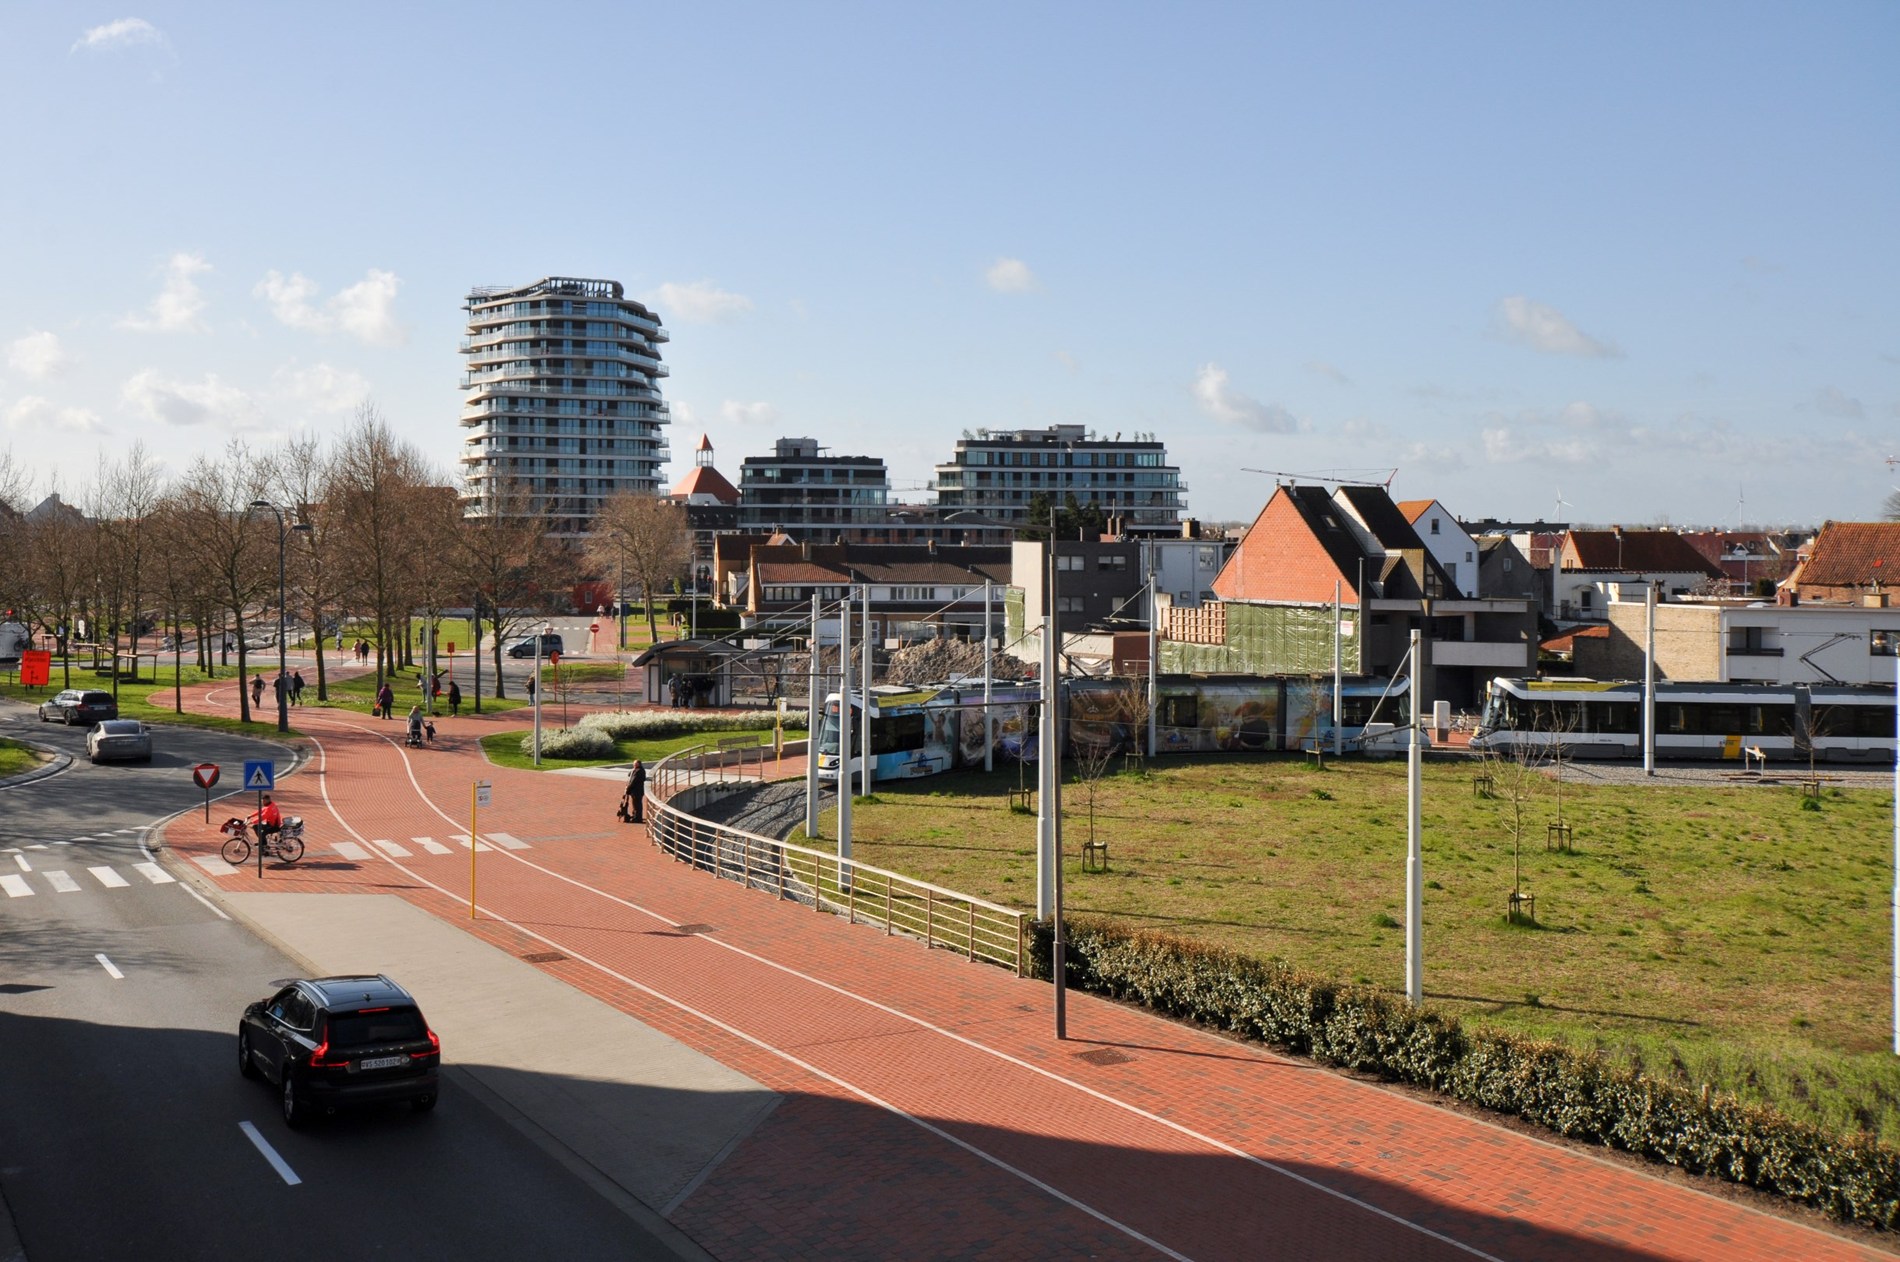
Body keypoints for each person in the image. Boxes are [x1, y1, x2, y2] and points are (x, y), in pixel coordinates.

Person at [620, 759, 646, 824]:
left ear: (639, 764)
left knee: (637, 805)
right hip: (637, 791)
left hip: (636, 791)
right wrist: (632, 770)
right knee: (636, 805)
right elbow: (629, 775)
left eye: (635, 764)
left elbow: (633, 782)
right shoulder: (637, 770)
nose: (634, 765)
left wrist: (628, 790)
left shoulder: (639, 771)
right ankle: (636, 816)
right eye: (634, 764)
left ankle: (637, 818)